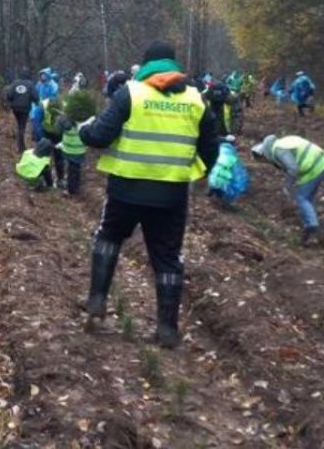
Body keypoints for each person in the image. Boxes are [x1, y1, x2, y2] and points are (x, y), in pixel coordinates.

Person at [77, 40, 218, 348]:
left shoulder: (131, 93)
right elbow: (211, 149)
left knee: (109, 237)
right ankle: (167, 330)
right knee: (167, 259)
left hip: (126, 190)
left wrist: (82, 132)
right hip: (171, 195)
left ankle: (97, 300)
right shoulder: (196, 101)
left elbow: (100, 135)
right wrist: (193, 172)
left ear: (146, 65)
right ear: (174, 65)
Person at [251, 134, 324, 246]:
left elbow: (293, 168)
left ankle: (312, 229)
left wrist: (288, 185)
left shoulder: (278, 150)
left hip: (314, 167)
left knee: (301, 197)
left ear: (264, 154)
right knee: (308, 199)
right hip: (322, 163)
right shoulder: (281, 143)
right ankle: (311, 227)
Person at [207, 135, 249, 208]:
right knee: (231, 182)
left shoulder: (215, 152)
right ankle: (223, 201)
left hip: (210, 181)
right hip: (223, 185)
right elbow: (240, 177)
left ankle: (212, 195)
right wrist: (242, 190)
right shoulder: (234, 158)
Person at [4, 69, 38, 153]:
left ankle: (20, 145)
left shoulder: (15, 83)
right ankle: (21, 146)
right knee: (22, 126)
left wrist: (11, 102)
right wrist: (36, 103)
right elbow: (35, 97)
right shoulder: (30, 84)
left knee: (20, 125)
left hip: (15, 108)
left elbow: (9, 95)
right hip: (25, 108)